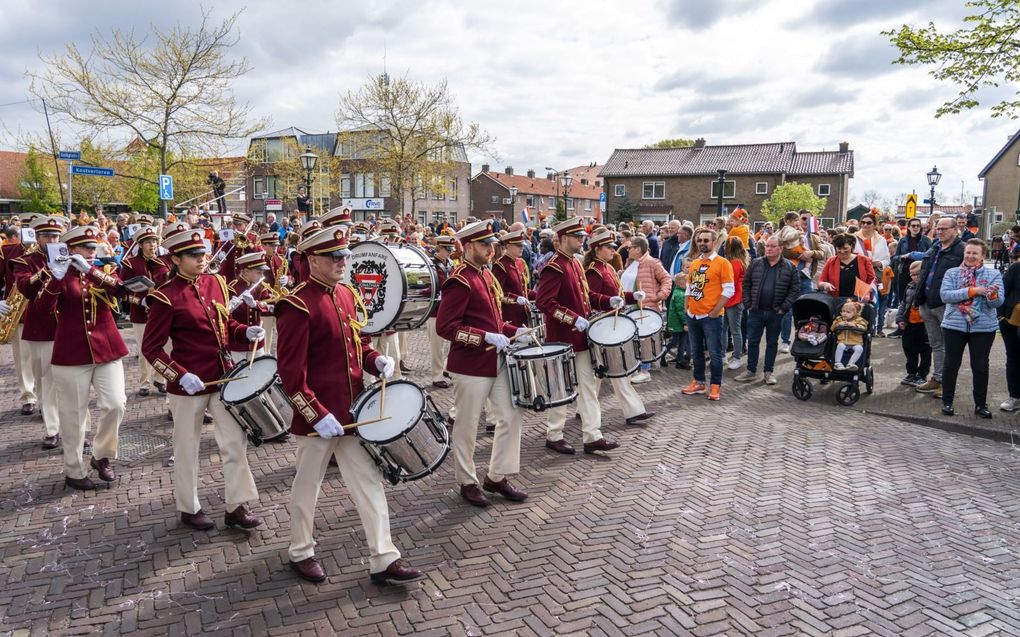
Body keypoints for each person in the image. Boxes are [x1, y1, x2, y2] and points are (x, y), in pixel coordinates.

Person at [274, 226, 422, 585]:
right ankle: (300, 550)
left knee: (369, 481)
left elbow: (359, 345)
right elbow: (291, 374)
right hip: (319, 418)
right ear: (312, 260)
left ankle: (383, 557)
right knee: (308, 485)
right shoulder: (296, 304)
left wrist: (375, 362)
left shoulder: (345, 294)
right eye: (333, 257)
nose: (342, 262)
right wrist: (315, 413)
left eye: (344, 255)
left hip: (353, 412)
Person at [142, 229, 265, 531]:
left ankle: (236, 506)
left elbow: (225, 323)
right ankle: (188, 506)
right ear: (176, 259)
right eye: (194, 256)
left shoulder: (216, 283)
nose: (201, 259)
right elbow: (151, 349)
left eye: (203, 254)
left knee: (235, 442)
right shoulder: (165, 296)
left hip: (221, 378)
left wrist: (242, 331)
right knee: (187, 447)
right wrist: (180, 376)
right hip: (189, 385)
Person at [436, 220, 531, 507]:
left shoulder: (487, 277)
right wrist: (483, 336)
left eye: (492, 244)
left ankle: (497, 475)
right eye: (485, 244)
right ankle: (467, 480)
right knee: (467, 427)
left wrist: (515, 333)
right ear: (467, 247)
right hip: (470, 364)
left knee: (511, 415)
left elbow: (496, 322)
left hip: (496, 360)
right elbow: (446, 327)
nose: (492, 249)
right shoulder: (460, 280)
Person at [37, 225, 128, 490]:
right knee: (73, 415)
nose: (90, 252)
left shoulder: (100, 272)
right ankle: (73, 470)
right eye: (85, 248)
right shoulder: (59, 275)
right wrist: (56, 277)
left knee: (115, 404)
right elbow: (43, 308)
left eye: (92, 248)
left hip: (107, 348)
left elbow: (121, 292)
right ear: (71, 249)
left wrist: (91, 270)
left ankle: (101, 456)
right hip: (72, 353)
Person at [536, 217, 628, 455]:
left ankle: (592, 435)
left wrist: (608, 300)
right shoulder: (554, 266)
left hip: (581, 336)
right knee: (560, 388)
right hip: (562, 337)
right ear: (564, 238)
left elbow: (585, 297)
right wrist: (571, 318)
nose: (581, 241)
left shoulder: (575, 264)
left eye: (582, 237)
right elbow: (544, 302)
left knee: (587, 387)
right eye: (577, 237)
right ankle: (554, 434)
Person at [582, 227, 655, 418]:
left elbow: (619, 295)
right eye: (608, 247)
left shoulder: (608, 268)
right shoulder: (593, 271)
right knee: (607, 370)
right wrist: (607, 301)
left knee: (609, 370)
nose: (613, 251)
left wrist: (632, 296)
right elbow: (590, 296)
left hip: (612, 323)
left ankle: (632, 411)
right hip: (602, 323)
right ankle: (631, 411)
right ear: (597, 249)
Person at [8, 215, 65, 441]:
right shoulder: (26, 260)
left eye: (55, 235)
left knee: (71, 380)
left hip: (68, 324)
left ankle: (75, 427)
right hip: (41, 325)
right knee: (46, 379)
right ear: (37, 238)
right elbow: (24, 287)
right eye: (47, 236)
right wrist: (46, 271)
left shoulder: (68, 256)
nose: (52, 240)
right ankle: (52, 429)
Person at [937, 239, 1003, 418]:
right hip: (954, 324)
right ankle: (947, 401)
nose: (970, 256)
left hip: (983, 327)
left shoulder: (994, 274)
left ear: (983, 256)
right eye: (968, 253)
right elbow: (945, 296)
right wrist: (973, 291)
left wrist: (992, 295)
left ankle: (980, 405)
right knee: (951, 364)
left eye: (975, 253)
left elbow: (998, 302)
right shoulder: (952, 273)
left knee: (980, 366)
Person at [911, 217, 965, 398]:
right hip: (927, 302)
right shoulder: (934, 247)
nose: (940, 232)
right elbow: (924, 273)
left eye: (944, 229)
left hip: (947, 305)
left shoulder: (961, 250)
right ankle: (938, 377)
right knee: (936, 344)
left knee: (951, 346)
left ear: (955, 229)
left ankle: (948, 384)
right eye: (938, 228)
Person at [736, 237, 800, 385]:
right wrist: (748, 303)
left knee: (772, 343)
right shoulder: (756, 263)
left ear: (780, 249)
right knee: (752, 341)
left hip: (775, 312)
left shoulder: (789, 267)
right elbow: (746, 284)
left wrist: (784, 307)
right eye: (767, 246)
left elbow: (795, 289)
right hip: (756, 311)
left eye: (772, 246)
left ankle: (768, 372)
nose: (769, 249)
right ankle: (751, 370)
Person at [681, 228, 735, 401]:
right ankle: (698, 382)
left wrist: (714, 311)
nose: (702, 243)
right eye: (700, 240)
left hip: (711, 317)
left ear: (714, 243)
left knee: (715, 353)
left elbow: (729, 290)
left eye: (706, 240)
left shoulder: (722, 263)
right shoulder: (696, 263)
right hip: (693, 315)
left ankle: (715, 386)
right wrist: (686, 307)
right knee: (696, 352)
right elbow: (689, 287)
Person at [119, 226, 172, 396]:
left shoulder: (165, 261)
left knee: (165, 348)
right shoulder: (130, 263)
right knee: (144, 350)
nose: (152, 245)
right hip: (141, 313)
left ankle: (160, 378)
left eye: (155, 242)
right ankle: (145, 382)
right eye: (148, 242)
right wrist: (140, 301)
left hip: (163, 313)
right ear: (140, 245)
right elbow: (122, 293)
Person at [620, 235, 671, 383]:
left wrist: (659, 296)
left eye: (631, 247)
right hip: (630, 306)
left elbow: (666, 279)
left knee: (644, 339)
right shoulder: (632, 263)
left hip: (646, 306)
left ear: (639, 249)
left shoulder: (652, 262)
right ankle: (634, 367)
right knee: (632, 338)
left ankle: (645, 370)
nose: (628, 250)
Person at [226, 251, 273, 362]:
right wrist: (228, 308)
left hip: (257, 340)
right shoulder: (232, 288)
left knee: (260, 373)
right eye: (258, 272)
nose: (262, 276)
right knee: (238, 376)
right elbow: (225, 317)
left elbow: (271, 305)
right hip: (238, 344)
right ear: (246, 271)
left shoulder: (261, 286)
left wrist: (255, 304)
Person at [890, 218, 932, 337]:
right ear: (908, 227)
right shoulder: (903, 240)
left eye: (918, 226)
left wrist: (917, 257)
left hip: (921, 273)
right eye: (913, 225)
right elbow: (894, 258)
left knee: (920, 299)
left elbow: (930, 256)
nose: (915, 228)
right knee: (903, 299)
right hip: (904, 272)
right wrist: (903, 256)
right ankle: (902, 327)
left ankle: (921, 328)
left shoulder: (926, 240)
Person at [895, 260, 931, 386]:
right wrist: (900, 319)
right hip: (910, 324)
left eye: (917, 274)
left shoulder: (928, 288)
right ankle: (911, 373)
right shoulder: (909, 286)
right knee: (909, 349)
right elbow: (903, 304)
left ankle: (922, 375)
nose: (915, 277)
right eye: (912, 274)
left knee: (925, 352)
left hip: (925, 326)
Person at [427, 235, 455, 389]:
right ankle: (437, 376)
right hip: (436, 311)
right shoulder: (431, 264)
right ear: (439, 248)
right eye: (447, 250)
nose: (449, 253)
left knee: (451, 344)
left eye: (451, 249)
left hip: (449, 310)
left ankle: (446, 369)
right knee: (437, 347)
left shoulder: (450, 263)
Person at [492, 229, 534, 330]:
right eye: (518, 246)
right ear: (508, 246)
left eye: (522, 245)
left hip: (523, 313)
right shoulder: (500, 265)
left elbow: (523, 290)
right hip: (510, 315)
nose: (522, 248)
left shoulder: (521, 263)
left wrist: (539, 294)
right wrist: (515, 299)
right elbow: (497, 293)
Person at [818, 234, 877, 301]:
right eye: (839, 249)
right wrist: (825, 284)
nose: (842, 251)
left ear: (851, 246)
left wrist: (867, 293)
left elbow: (872, 280)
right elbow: (820, 282)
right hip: (837, 300)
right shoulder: (831, 261)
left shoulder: (864, 260)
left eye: (845, 248)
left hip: (858, 302)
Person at [998, 249, 1020, 412]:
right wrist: (1001, 316)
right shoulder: (1016, 268)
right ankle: (1014, 397)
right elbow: (1001, 290)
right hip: (1012, 323)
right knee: (1013, 359)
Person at [724, 237, 748, 370]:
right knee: (728, 329)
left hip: (733, 300)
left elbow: (729, 283)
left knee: (733, 330)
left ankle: (737, 357)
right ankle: (725, 355)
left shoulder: (735, 263)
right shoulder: (739, 261)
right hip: (732, 300)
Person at [831, 301, 869, 370]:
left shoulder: (859, 320)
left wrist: (854, 325)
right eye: (843, 311)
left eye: (848, 312)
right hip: (842, 341)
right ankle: (837, 363)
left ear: (855, 313)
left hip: (855, 342)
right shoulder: (839, 319)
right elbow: (832, 328)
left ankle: (851, 363)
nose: (845, 313)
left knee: (859, 349)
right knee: (840, 346)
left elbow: (864, 328)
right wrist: (839, 324)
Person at [664, 271, 689, 368]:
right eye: (686, 283)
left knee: (682, 341)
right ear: (681, 283)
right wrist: (685, 323)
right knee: (675, 341)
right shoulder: (680, 294)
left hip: (677, 322)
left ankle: (680, 360)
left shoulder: (678, 291)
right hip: (678, 323)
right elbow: (681, 311)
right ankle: (662, 354)